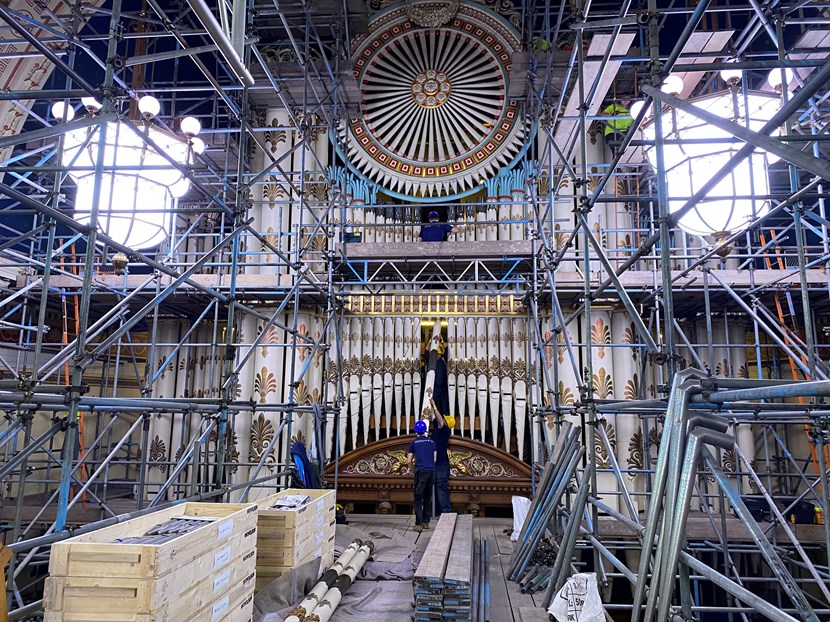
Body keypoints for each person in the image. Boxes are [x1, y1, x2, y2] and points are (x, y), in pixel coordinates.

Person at [407, 419, 437, 532]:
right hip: (431, 472)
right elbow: (434, 459)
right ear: (425, 431)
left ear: (416, 431)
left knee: (418, 498)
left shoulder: (413, 443)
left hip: (421, 472)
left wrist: (413, 470)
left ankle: (418, 524)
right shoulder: (432, 442)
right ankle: (426, 522)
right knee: (427, 497)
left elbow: (409, 461)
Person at [429, 397, 454, 517]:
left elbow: (439, 421)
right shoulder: (437, 429)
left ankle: (446, 513)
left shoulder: (445, 431)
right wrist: (430, 400)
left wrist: (435, 406)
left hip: (442, 466)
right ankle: (437, 513)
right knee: (434, 490)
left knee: (441, 489)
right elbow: (434, 417)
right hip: (435, 465)